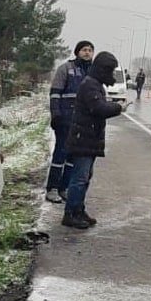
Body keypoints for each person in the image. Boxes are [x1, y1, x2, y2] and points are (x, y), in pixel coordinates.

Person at [62, 51, 129, 228]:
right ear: (102, 69)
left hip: (88, 139)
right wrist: (118, 108)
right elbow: (98, 107)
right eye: (111, 70)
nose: (112, 75)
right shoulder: (90, 85)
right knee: (80, 178)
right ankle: (71, 213)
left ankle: (79, 210)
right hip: (83, 139)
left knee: (85, 177)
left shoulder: (95, 84)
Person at [46, 40, 94, 203]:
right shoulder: (65, 69)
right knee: (61, 153)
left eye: (90, 50)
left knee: (73, 158)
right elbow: (55, 93)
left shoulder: (93, 72)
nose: (87, 53)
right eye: (84, 50)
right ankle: (52, 188)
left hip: (84, 123)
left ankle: (64, 187)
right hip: (65, 120)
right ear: (77, 52)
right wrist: (56, 114)